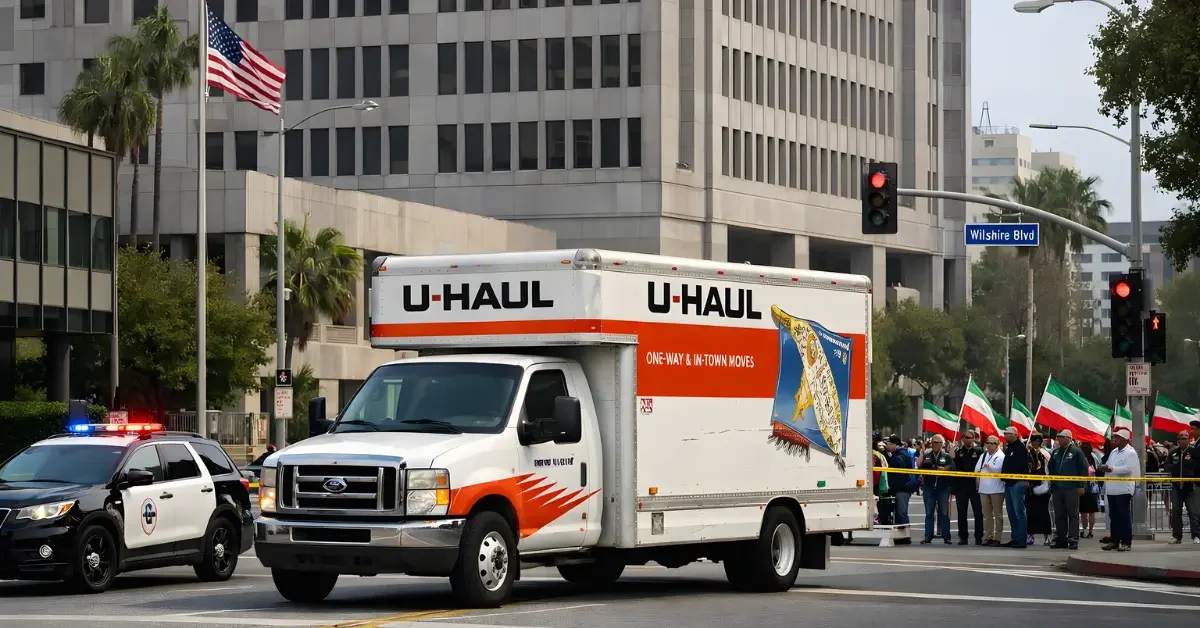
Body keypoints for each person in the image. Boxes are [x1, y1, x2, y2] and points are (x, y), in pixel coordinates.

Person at [1048, 430, 1088, 550]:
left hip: (1072, 488)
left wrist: (1082, 485)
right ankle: (1062, 538)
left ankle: (1073, 538)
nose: (1058, 439)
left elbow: (1083, 469)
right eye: (1058, 437)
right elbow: (1051, 468)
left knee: (1073, 514)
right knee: (1059, 514)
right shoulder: (1055, 452)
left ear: (1068, 438)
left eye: (1061, 437)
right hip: (1057, 489)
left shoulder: (1077, 452)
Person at [1103, 427, 1139, 552]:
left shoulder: (1130, 452)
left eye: (1117, 437)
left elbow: (1128, 469)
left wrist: (1112, 469)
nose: (1114, 439)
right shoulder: (1114, 452)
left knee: (1123, 516)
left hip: (1123, 489)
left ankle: (1126, 542)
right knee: (1114, 516)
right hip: (1112, 488)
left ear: (1125, 439)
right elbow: (1109, 465)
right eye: (1114, 437)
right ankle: (1114, 541)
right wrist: (1105, 468)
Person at [919, 434, 954, 544]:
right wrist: (921, 452)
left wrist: (944, 469)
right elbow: (919, 466)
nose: (936, 445)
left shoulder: (946, 456)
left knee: (943, 512)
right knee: (929, 512)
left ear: (942, 444)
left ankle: (946, 536)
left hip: (943, 488)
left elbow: (952, 467)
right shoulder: (927, 455)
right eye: (934, 442)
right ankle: (928, 536)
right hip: (929, 487)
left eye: (939, 442)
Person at [1165, 430, 1200, 544]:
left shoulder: (1194, 452)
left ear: (1189, 440)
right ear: (1177, 440)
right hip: (1176, 486)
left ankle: (1196, 535)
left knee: (1193, 512)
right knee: (1175, 511)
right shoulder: (1173, 452)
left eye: (1185, 438)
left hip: (1190, 486)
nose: (1182, 440)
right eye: (1180, 438)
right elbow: (1167, 465)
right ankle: (1176, 536)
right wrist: (1174, 467)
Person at [1000, 426, 1030, 548]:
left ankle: (1021, 539)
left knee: (1019, 513)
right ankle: (1015, 537)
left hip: (1017, 483)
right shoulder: (1010, 448)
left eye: (1008, 434)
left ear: (1015, 435)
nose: (1006, 435)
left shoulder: (1020, 448)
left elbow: (1019, 466)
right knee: (1011, 512)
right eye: (1005, 433)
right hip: (1009, 483)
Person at [953, 431, 985, 545]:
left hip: (975, 486)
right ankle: (963, 537)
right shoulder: (958, 452)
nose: (970, 440)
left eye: (972, 438)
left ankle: (979, 537)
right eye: (967, 437)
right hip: (961, 486)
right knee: (962, 513)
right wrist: (951, 455)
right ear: (962, 439)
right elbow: (953, 467)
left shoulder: (979, 451)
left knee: (978, 512)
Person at [976, 434, 1007, 546]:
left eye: (991, 443)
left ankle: (997, 537)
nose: (988, 445)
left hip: (997, 489)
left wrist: (988, 467)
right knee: (987, 514)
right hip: (984, 488)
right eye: (987, 443)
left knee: (998, 514)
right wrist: (987, 467)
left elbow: (999, 470)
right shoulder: (983, 455)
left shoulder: (1001, 456)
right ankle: (988, 536)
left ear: (997, 444)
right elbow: (977, 469)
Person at [1026, 433, 1052, 546]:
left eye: (1038, 441)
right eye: (1033, 441)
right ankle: (1030, 535)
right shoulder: (1027, 453)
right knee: (1030, 512)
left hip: (1043, 486)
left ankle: (1047, 536)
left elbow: (1046, 469)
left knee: (1044, 513)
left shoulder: (1045, 453)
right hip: (1031, 487)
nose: (1035, 443)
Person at [884, 435, 916, 525]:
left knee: (901, 513)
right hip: (900, 487)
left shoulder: (900, 455)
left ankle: (905, 536)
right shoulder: (899, 453)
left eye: (889, 444)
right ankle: (900, 536)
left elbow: (900, 468)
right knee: (899, 513)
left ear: (895, 444)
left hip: (902, 487)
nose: (887, 446)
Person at [1079, 441, 1101, 538]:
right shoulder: (1095, 457)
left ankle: (1084, 530)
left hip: (1083, 486)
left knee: (1083, 512)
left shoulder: (1081, 458)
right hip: (1093, 487)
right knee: (1091, 512)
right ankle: (1091, 531)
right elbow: (1099, 468)